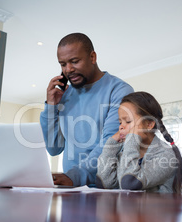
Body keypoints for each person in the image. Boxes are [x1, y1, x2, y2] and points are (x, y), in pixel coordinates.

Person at [40, 33, 134, 186]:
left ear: (92, 57)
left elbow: (112, 142)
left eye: (74, 61)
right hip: (73, 188)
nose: (68, 70)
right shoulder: (65, 95)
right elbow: (54, 149)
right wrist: (51, 107)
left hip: (107, 190)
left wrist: (75, 177)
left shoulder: (119, 90)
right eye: (63, 64)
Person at [96, 92, 182, 193]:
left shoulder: (166, 156)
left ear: (149, 125)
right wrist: (111, 146)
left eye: (128, 121)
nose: (121, 127)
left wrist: (132, 139)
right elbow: (104, 183)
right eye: (120, 122)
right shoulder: (126, 153)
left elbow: (129, 183)